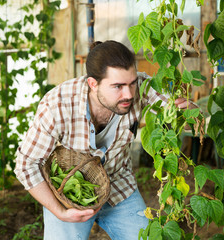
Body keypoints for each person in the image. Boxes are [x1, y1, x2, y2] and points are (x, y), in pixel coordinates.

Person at [14, 40, 196, 240]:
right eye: (117, 86)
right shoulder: (58, 105)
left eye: (132, 83)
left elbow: (181, 117)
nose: (128, 94)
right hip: (70, 192)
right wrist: (60, 212)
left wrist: (188, 114)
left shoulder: (142, 88)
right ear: (93, 84)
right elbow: (26, 164)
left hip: (118, 182)